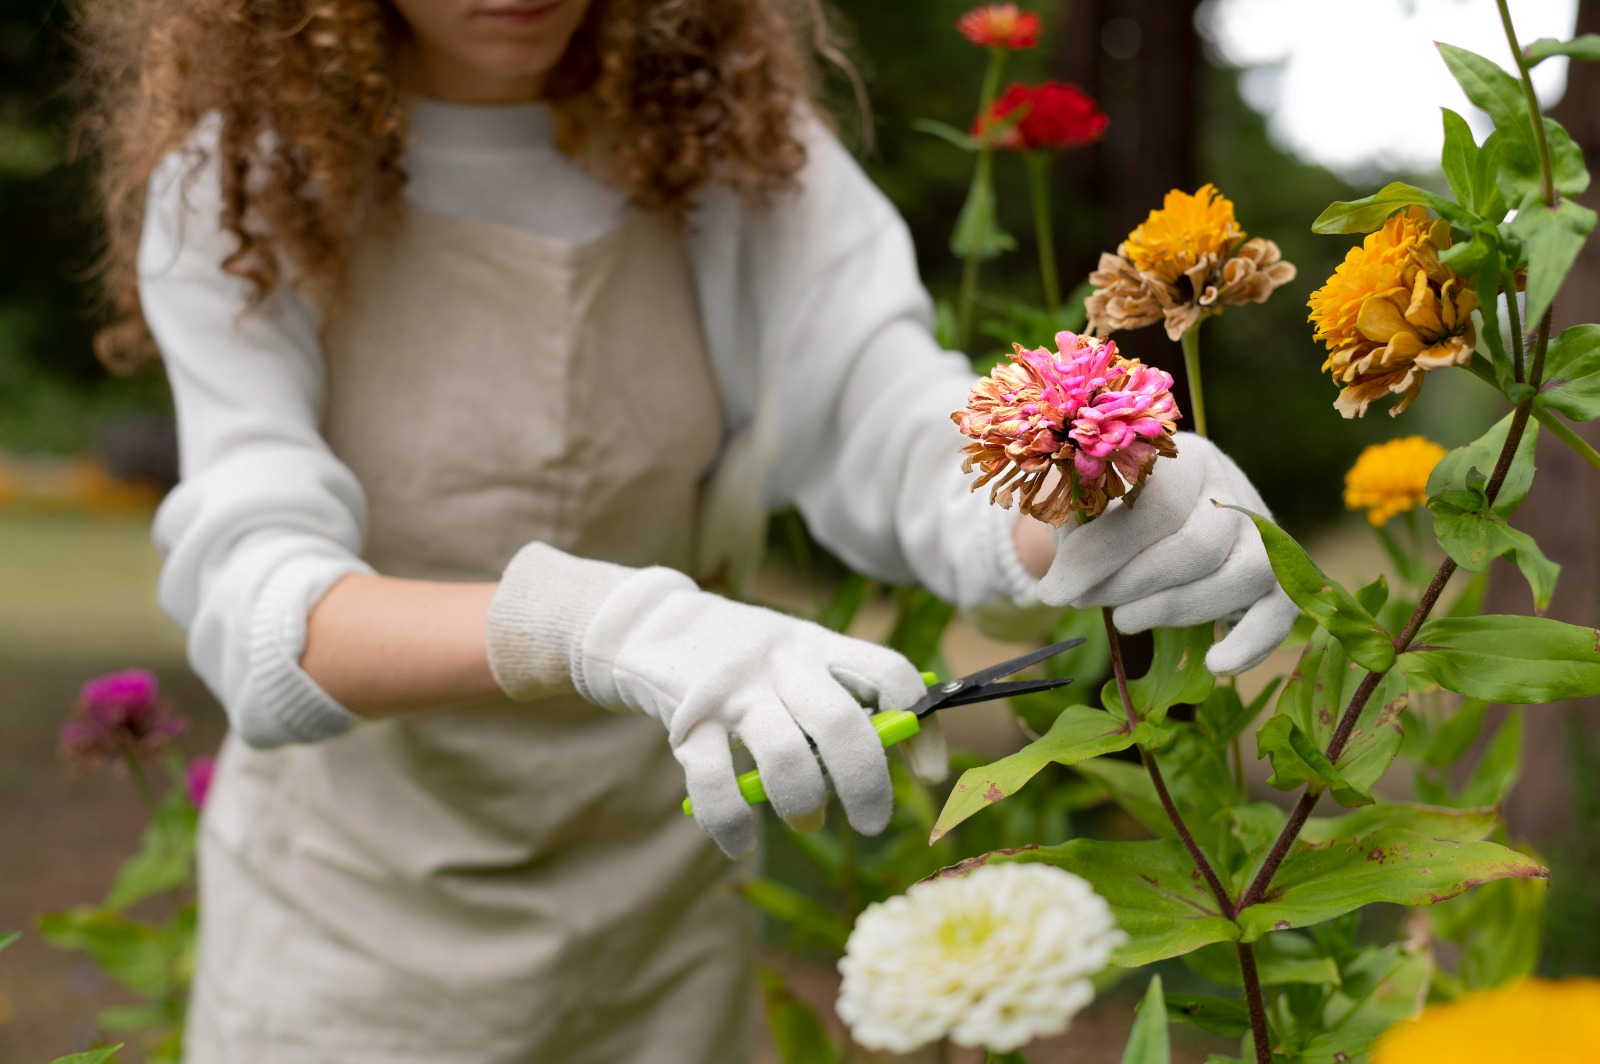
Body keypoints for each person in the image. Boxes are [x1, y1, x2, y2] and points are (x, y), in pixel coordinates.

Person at [85, 0, 1298, 1059]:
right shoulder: (240, 180)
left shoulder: (731, 145)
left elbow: (893, 430)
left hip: (658, 923)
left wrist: (1095, 488)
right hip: (346, 936)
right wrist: (598, 622)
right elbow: (263, 607)